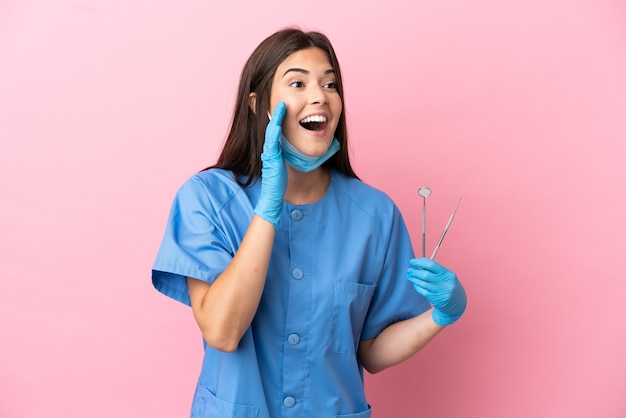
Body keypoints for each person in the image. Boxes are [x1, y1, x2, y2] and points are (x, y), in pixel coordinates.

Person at [152, 27, 467, 418]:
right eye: (297, 83)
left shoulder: (375, 215)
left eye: (330, 84)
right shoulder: (208, 199)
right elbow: (222, 331)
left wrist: (440, 316)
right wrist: (267, 211)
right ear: (258, 105)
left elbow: (372, 352)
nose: (320, 96)